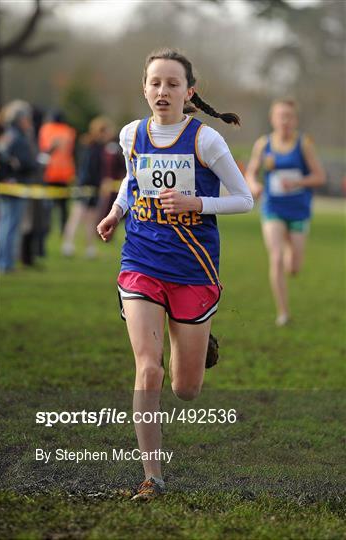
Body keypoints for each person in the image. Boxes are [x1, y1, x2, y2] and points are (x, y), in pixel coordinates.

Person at [96, 48, 253, 500]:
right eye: (155, 83)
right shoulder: (131, 134)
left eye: (172, 84)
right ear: (144, 88)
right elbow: (132, 180)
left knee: (185, 390)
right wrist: (116, 212)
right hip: (141, 259)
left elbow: (245, 199)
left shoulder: (205, 141)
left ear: (189, 92)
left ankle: (199, 336)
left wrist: (197, 204)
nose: (162, 91)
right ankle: (153, 476)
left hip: (192, 269)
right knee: (148, 369)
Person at [245, 99, 326, 326]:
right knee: (277, 258)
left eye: (289, 116)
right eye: (281, 116)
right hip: (273, 207)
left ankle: (293, 251)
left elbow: (320, 176)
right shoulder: (263, 144)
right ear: (273, 119)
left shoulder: (304, 144)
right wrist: (254, 185)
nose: (285, 121)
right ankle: (283, 312)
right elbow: (250, 173)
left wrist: (299, 182)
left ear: (295, 120)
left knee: (294, 267)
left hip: (299, 210)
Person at [61, 116, 113, 258]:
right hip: (86, 187)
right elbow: (88, 169)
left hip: (92, 187)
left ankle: (89, 248)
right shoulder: (92, 147)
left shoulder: (98, 147)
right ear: (101, 131)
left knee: (91, 219)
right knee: (77, 217)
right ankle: (67, 245)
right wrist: (94, 184)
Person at [0, 101, 38, 273]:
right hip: (16, 186)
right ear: (20, 119)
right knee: (11, 226)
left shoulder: (7, 135)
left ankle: (1, 261)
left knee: (4, 225)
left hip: (6, 185)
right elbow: (27, 163)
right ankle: (6, 264)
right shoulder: (19, 138)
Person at [38, 110, 76, 234]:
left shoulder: (45, 129)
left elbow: (43, 149)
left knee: (47, 206)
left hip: (49, 172)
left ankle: (46, 228)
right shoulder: (69, 131)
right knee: (64, 207)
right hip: (65, 172)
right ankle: (63, 229)